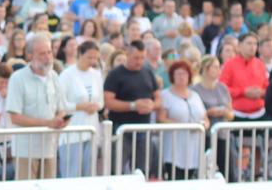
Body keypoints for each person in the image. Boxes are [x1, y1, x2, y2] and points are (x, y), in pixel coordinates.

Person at [5, 32, 67, 180]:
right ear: (30, 55)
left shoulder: (54, 77)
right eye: (42, 54)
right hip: (26, 149)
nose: (47, 57)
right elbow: (15, 117)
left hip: (49, 147)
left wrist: (61, 120)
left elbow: (62, 109)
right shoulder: (18, 78)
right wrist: (48, 123)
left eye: (49, 52)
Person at [104, 40, 161, 176]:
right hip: (121, 130)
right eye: (136, 58)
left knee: (142, 171)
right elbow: (108, 102)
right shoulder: (115, 75)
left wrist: (151, 105)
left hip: (143, 130)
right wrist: (133, 106)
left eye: (142, 58)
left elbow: (159, 98)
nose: (139, 61)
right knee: (116, 168)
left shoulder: (147, 72)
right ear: (127, 55)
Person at [57, 40, 104, 177]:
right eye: (89, 57)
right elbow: (60, 103)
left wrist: (95, 106)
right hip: (73, 130)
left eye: (95, 58)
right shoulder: (67, 74)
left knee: (89, 172)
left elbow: (100, 101)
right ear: (80, 54)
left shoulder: (96, 75)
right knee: (72, 172)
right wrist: (79, 106)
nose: (92, 61)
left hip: (91, 128)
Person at [157, 60, 208, 180]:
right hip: (174, 145)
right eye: (178, 74)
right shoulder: (165, 95)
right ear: (172, 76)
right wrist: (181, 125)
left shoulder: (195, 96)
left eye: (184, 74)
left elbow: (205, 117)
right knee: (176, 176)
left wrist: (202, 126)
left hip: (194, 145)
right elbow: (161, 118)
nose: (181, 77)